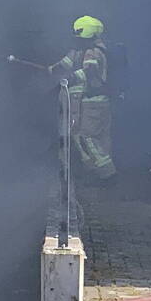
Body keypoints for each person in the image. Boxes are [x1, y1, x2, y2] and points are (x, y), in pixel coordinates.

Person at [49, 15, 115, 182]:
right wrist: (52, 69)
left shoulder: (93, 51)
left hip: (93, 102)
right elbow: (64, 63)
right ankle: (94, 172)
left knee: (87, 137)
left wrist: (70, 78)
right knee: (84, 137)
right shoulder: (79, 49)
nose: (76, 39)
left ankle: (108, 175)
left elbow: (90, 70)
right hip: (88, 103)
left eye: (78, 35)